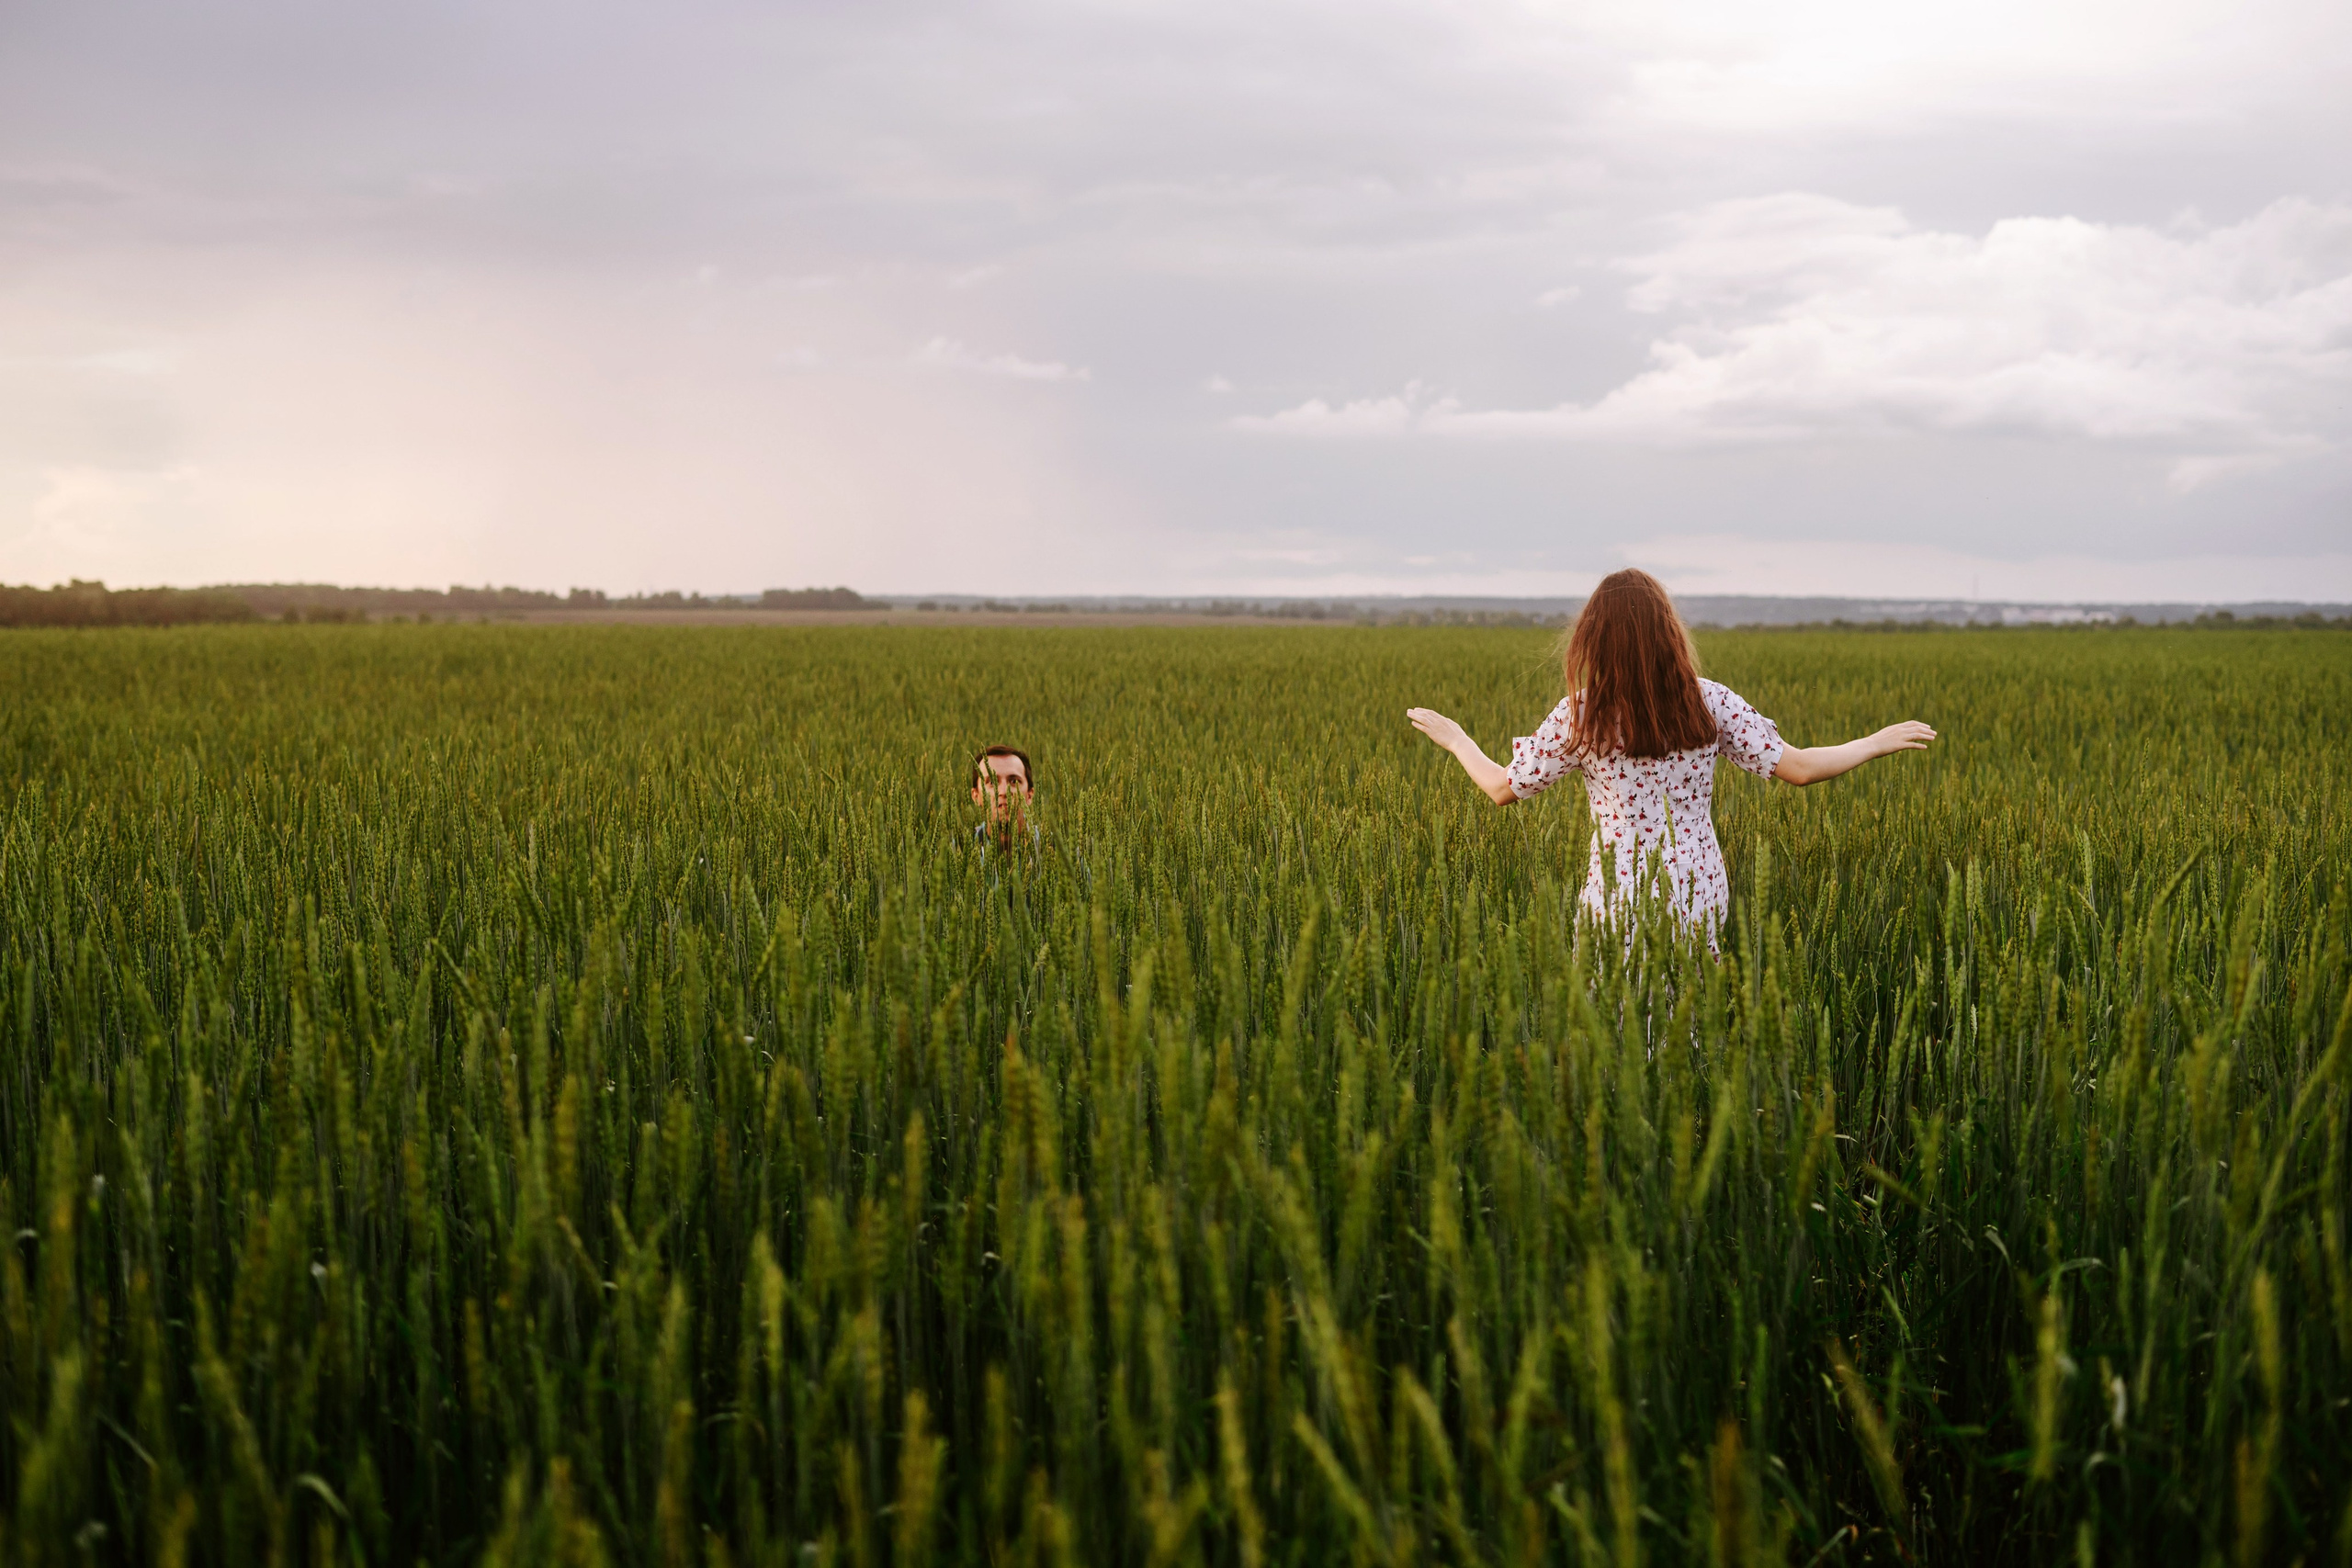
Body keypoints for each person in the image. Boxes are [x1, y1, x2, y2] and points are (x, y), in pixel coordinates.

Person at [1406, 569, 1935, 937]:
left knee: (1613, 1036)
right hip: (1698, 891)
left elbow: (1502, 788)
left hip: (1618, 897)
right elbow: (1797, 768)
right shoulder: (1708, 700)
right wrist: (1874, 741)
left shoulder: (1583, 713)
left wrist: (1458, 740)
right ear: (1668, 632)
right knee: (1687, 1038)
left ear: (1596, 638)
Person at [970, 744, 1040, 849]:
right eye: (992, 782)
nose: (1003, 792)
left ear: (1029, 795)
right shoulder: (956, 852)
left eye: (1014, 781)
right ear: (976, 796)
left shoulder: (1057, 851)